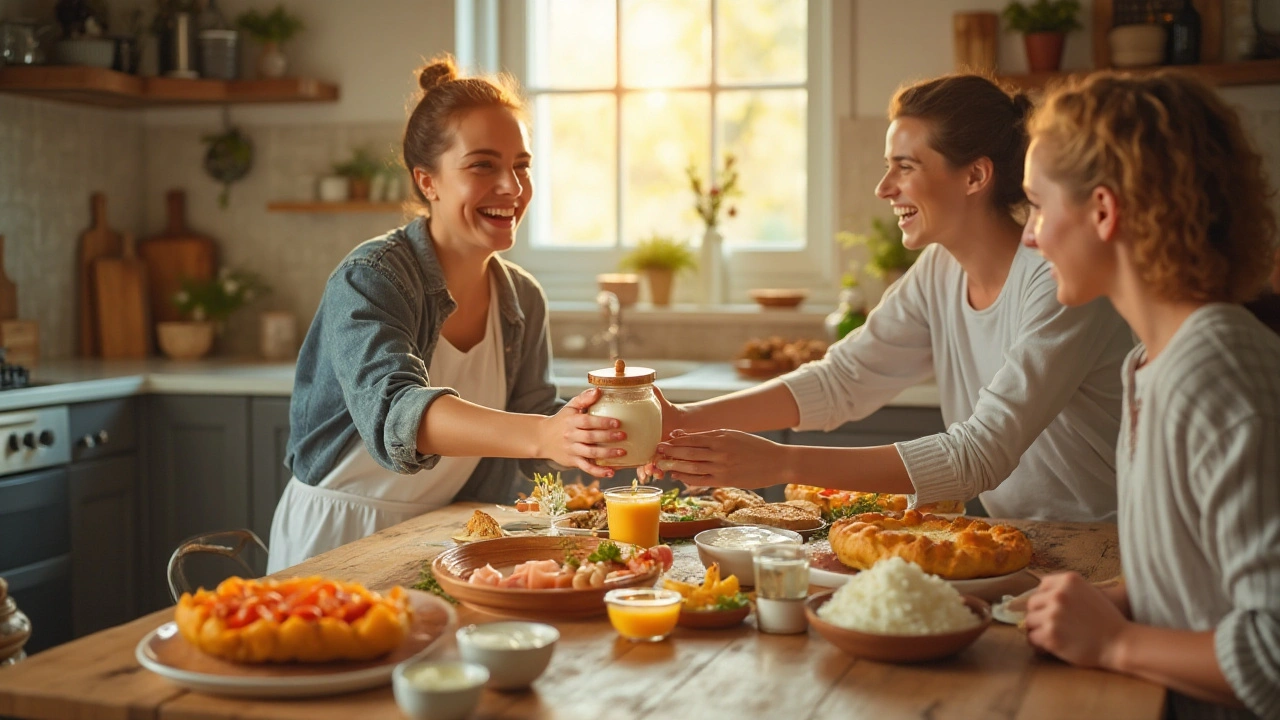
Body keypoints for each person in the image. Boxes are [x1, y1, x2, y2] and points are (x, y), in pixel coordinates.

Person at [647, 74, 1133, 522]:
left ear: (974, 177)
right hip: (1019, 535)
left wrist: (780, 462)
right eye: (888, 167)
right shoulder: (940, 271)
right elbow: (844, 379)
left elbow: (977, 456)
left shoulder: (1059, 282)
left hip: (1105, 544)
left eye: (905, 166)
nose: (884, 188)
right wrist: (684, 420)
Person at [267, 55, 625, 572]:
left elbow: (534, 422)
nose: (512, 187)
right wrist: (545, 434)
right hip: (337, 536)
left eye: (521, 166)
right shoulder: (371, 277)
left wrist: (605, 427)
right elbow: (398, 411)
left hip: (445, 538)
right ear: (427, 181)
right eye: (483, 165)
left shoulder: (521, 298)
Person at [1019, 71, 1279, 720]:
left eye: (1038, 205)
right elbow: (1204, 577)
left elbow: (1272, 651)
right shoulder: (1148, 363)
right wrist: (1118, 598)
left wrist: (1115, 641)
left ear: (1104, 211)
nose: (1031, 235)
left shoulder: (1217, 373)